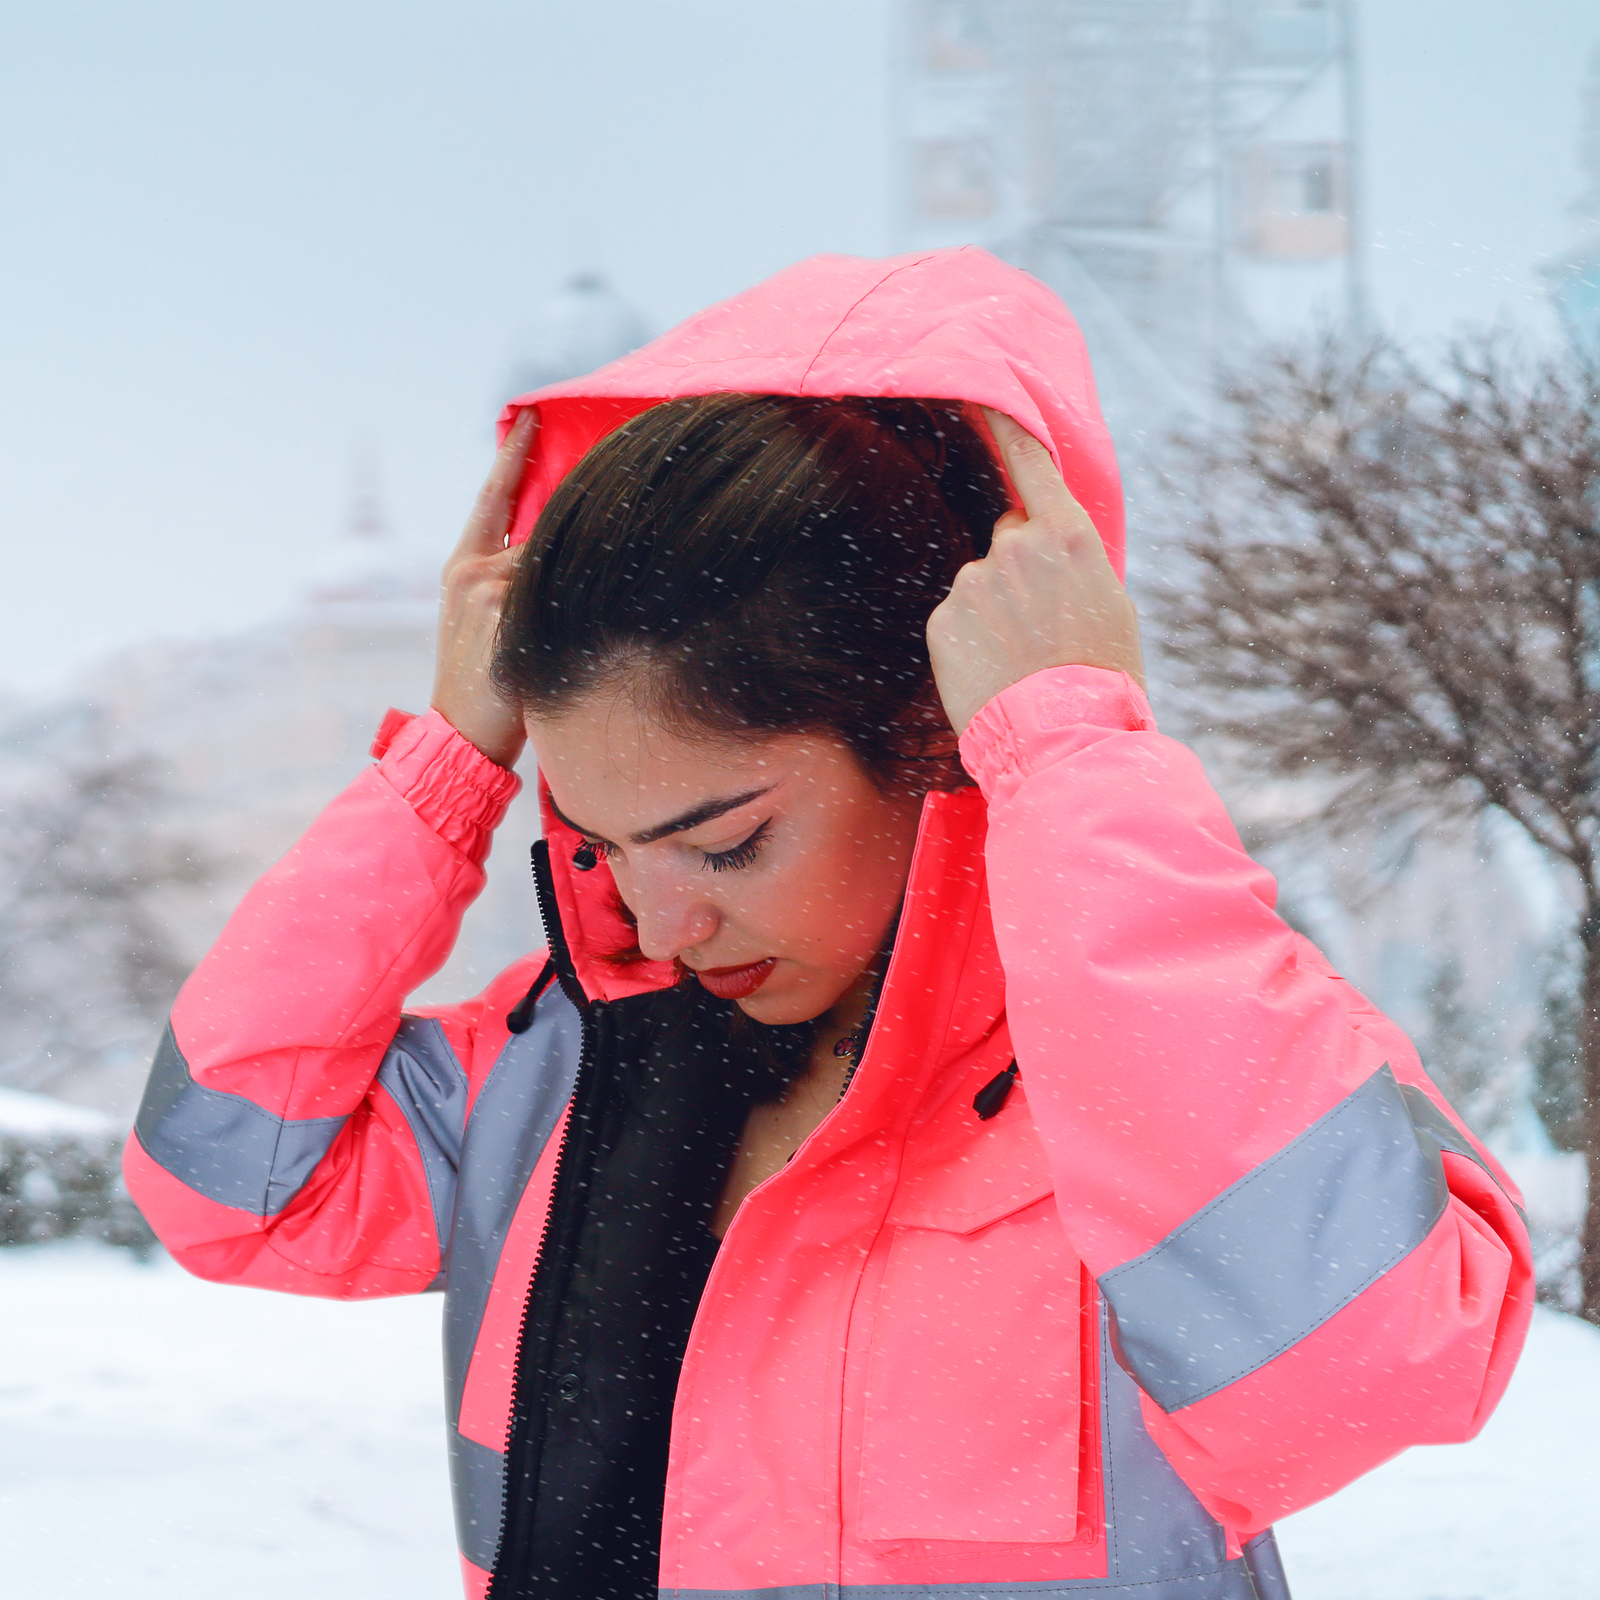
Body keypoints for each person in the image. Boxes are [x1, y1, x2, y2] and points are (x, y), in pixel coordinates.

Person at [125, 248, 1533, 1600]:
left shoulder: (1174, 1078)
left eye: (726, 840)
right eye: (610, 848)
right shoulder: (551, 1075)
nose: (665, 925)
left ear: (928, 727)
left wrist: (1069, 745)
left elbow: (1363, 1368)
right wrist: (443, 767)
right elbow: (229, 1179)